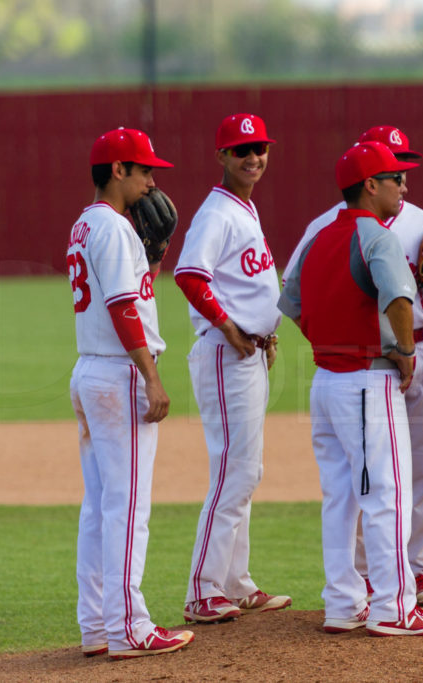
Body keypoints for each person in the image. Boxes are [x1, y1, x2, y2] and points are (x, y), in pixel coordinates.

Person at [278, 141, 423, 637]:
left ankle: (342, 603)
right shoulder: (376, 236)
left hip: (326, 382)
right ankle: (396, 607)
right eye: (394, 178)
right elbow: (399, 297)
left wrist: (329, 340)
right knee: (387, 494)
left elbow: (290, 304)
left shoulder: (319, 235)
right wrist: (405, 350)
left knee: (340, 498)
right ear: (370, 186)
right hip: (367, 381)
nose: (403, 185)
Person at [67, 127, 194, 659]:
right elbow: (123, 309)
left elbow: (132, 292)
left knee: (99, 505)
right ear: (117, 170)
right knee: (127, 507)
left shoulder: (85, 224)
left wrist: (154, 256)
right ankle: (130, 628)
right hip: (120, 374)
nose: (151, 182)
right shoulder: (114, 230)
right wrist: (152, 376)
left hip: (90, 372)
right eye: (143, 171)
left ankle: (97, 625)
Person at [175, 113, 291, 624]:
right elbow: (189, 275)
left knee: (247, 470)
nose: (253, 157)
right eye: (241, 149)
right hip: (227, 355)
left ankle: (235, 583)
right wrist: (228, 326)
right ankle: (203, 590)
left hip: (249, 352)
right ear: (221, 155)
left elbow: (246, 284)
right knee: (233, 470)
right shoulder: (217, 213)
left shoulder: (242, 207)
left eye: (259, 148)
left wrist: (264, 331)